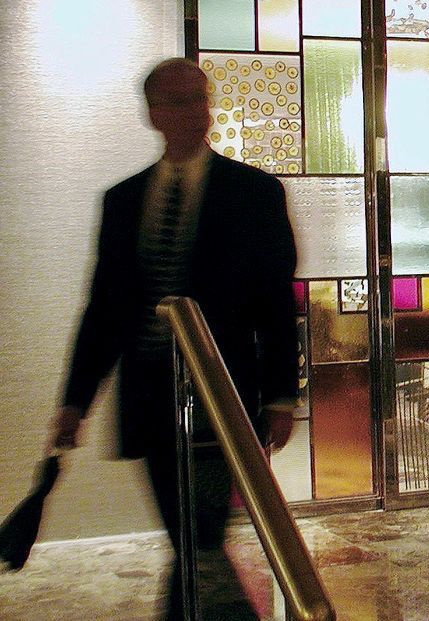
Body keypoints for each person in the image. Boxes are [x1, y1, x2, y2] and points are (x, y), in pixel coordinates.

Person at [51, 57, 299, 619]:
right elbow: (105, 311)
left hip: (225, 397)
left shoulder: (255, 193)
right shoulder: (123, 201)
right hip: (149, 397)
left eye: (201, 98)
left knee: (201, 535)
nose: (197, 112)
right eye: (180, 101)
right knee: (188, 537)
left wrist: (282, 396)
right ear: (153, 114)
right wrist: (74, 401)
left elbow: (276, 305)